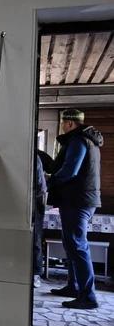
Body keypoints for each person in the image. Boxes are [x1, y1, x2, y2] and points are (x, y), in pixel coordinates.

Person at [48, 108, 103, 310]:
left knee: (78, 246)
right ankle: (74, 287)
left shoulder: (78, 141)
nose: (62, 126)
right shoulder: (88, 141)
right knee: (72, 244)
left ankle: (88, 297)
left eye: (63, 123)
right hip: (81, 200)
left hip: (77, 201)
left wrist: (49, 180)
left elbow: (70, 171)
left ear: (70, 123)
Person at [33, 154, 47, 287]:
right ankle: (35, 274)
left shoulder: (34, 156)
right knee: (35, 239)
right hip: (36, 198)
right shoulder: (35, 156)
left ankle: (36, 274)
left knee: (35, 239)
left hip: (36, 199)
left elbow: (38, 182)